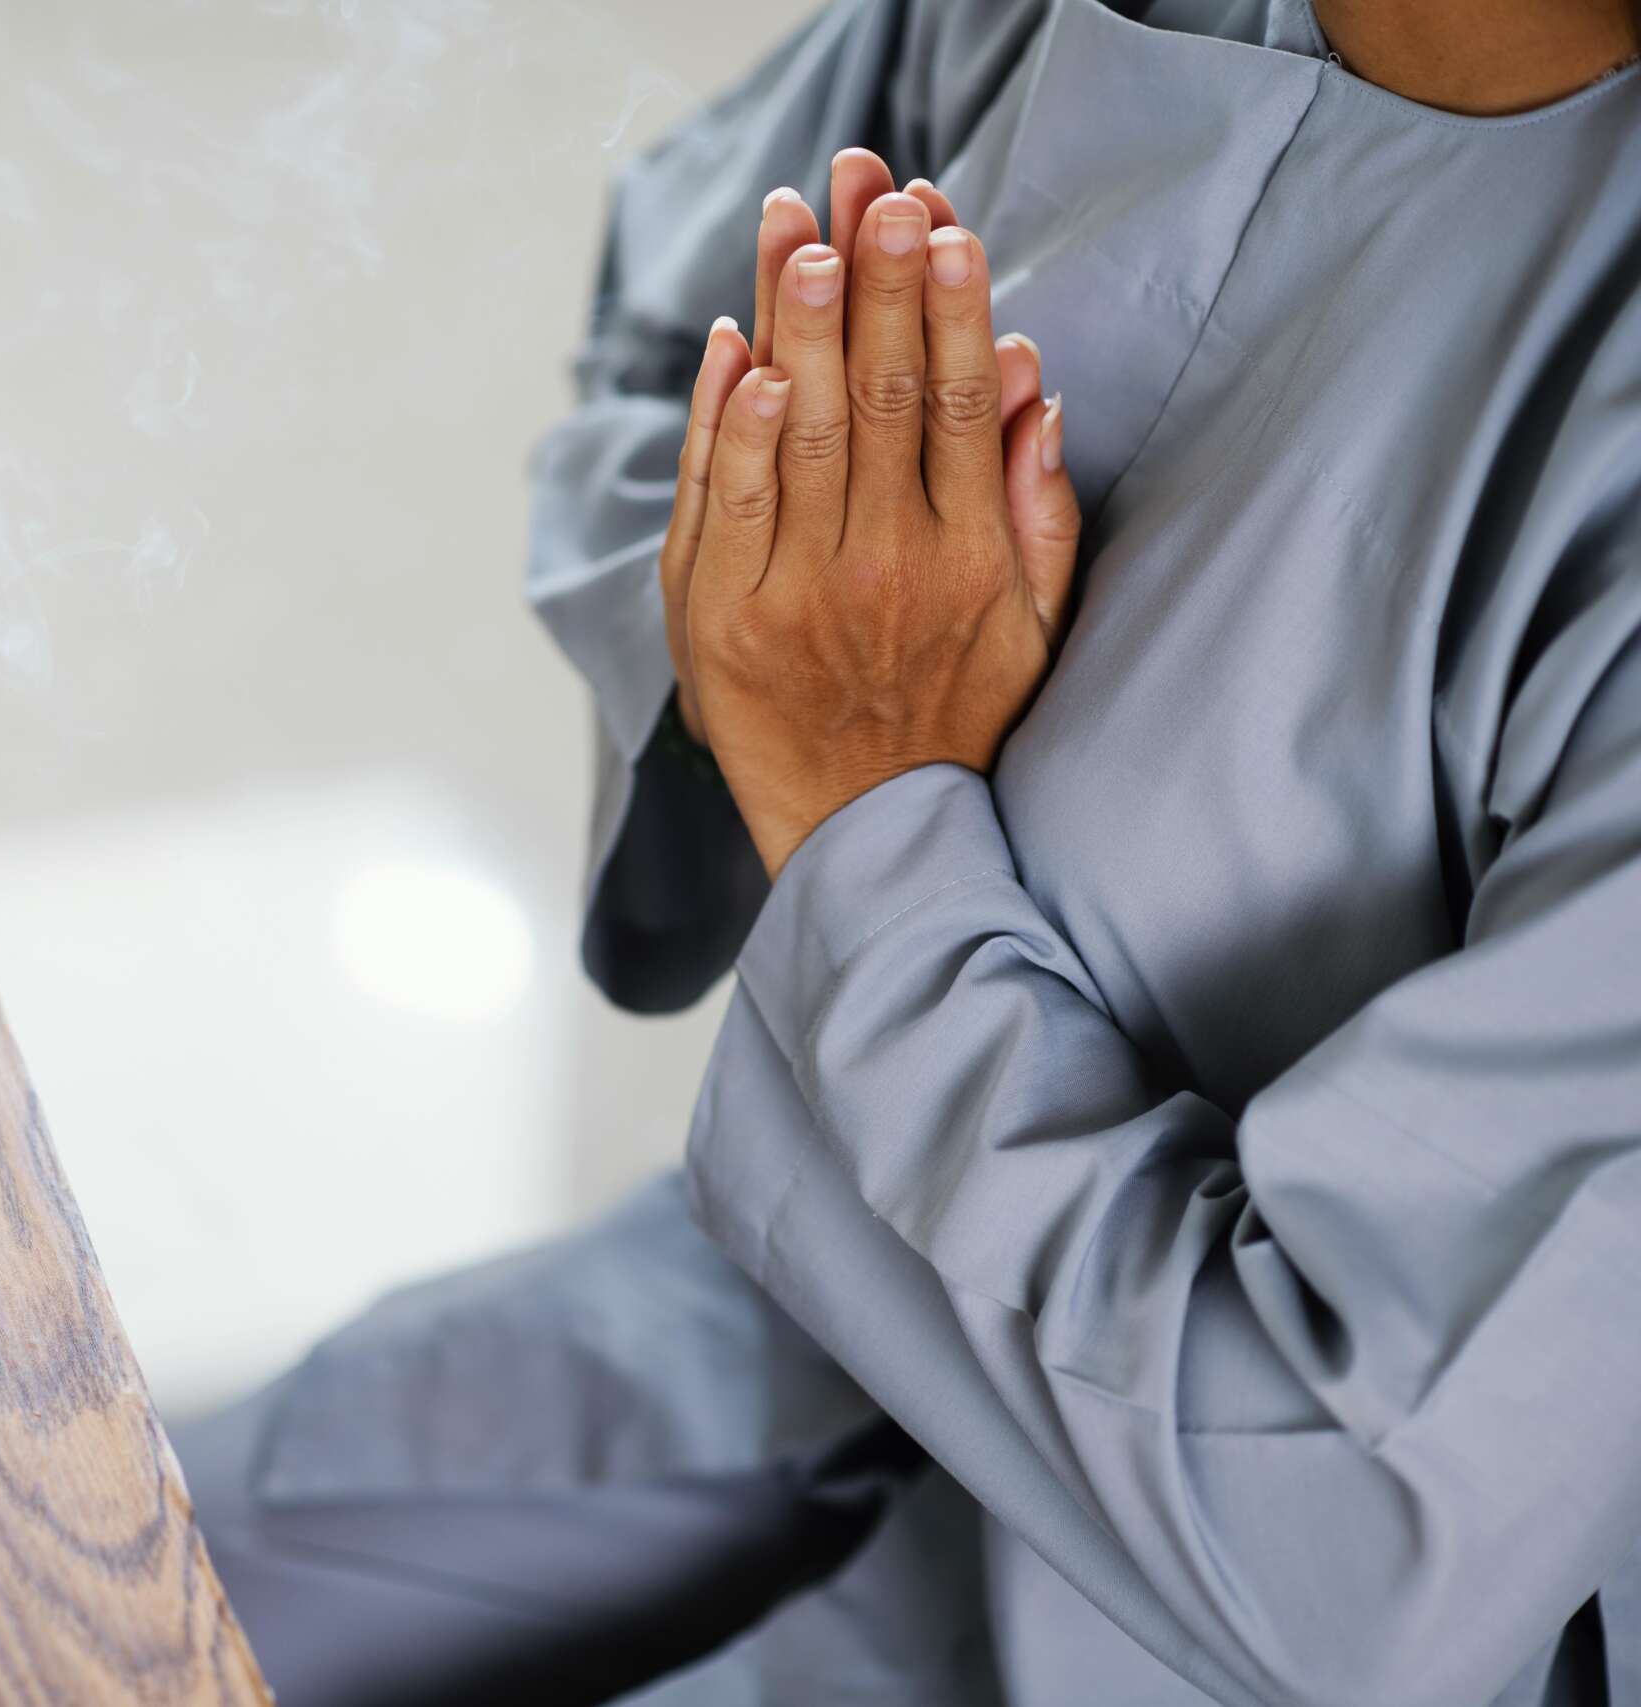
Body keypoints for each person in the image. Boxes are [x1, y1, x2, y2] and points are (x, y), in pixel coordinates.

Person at [173, 0, 1641, 1701]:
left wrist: (865, 806)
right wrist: (778, 636)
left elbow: (1356, 1535)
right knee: (42, 1589)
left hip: (1202, 1562)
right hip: (819, 1283)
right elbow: (680, 324)